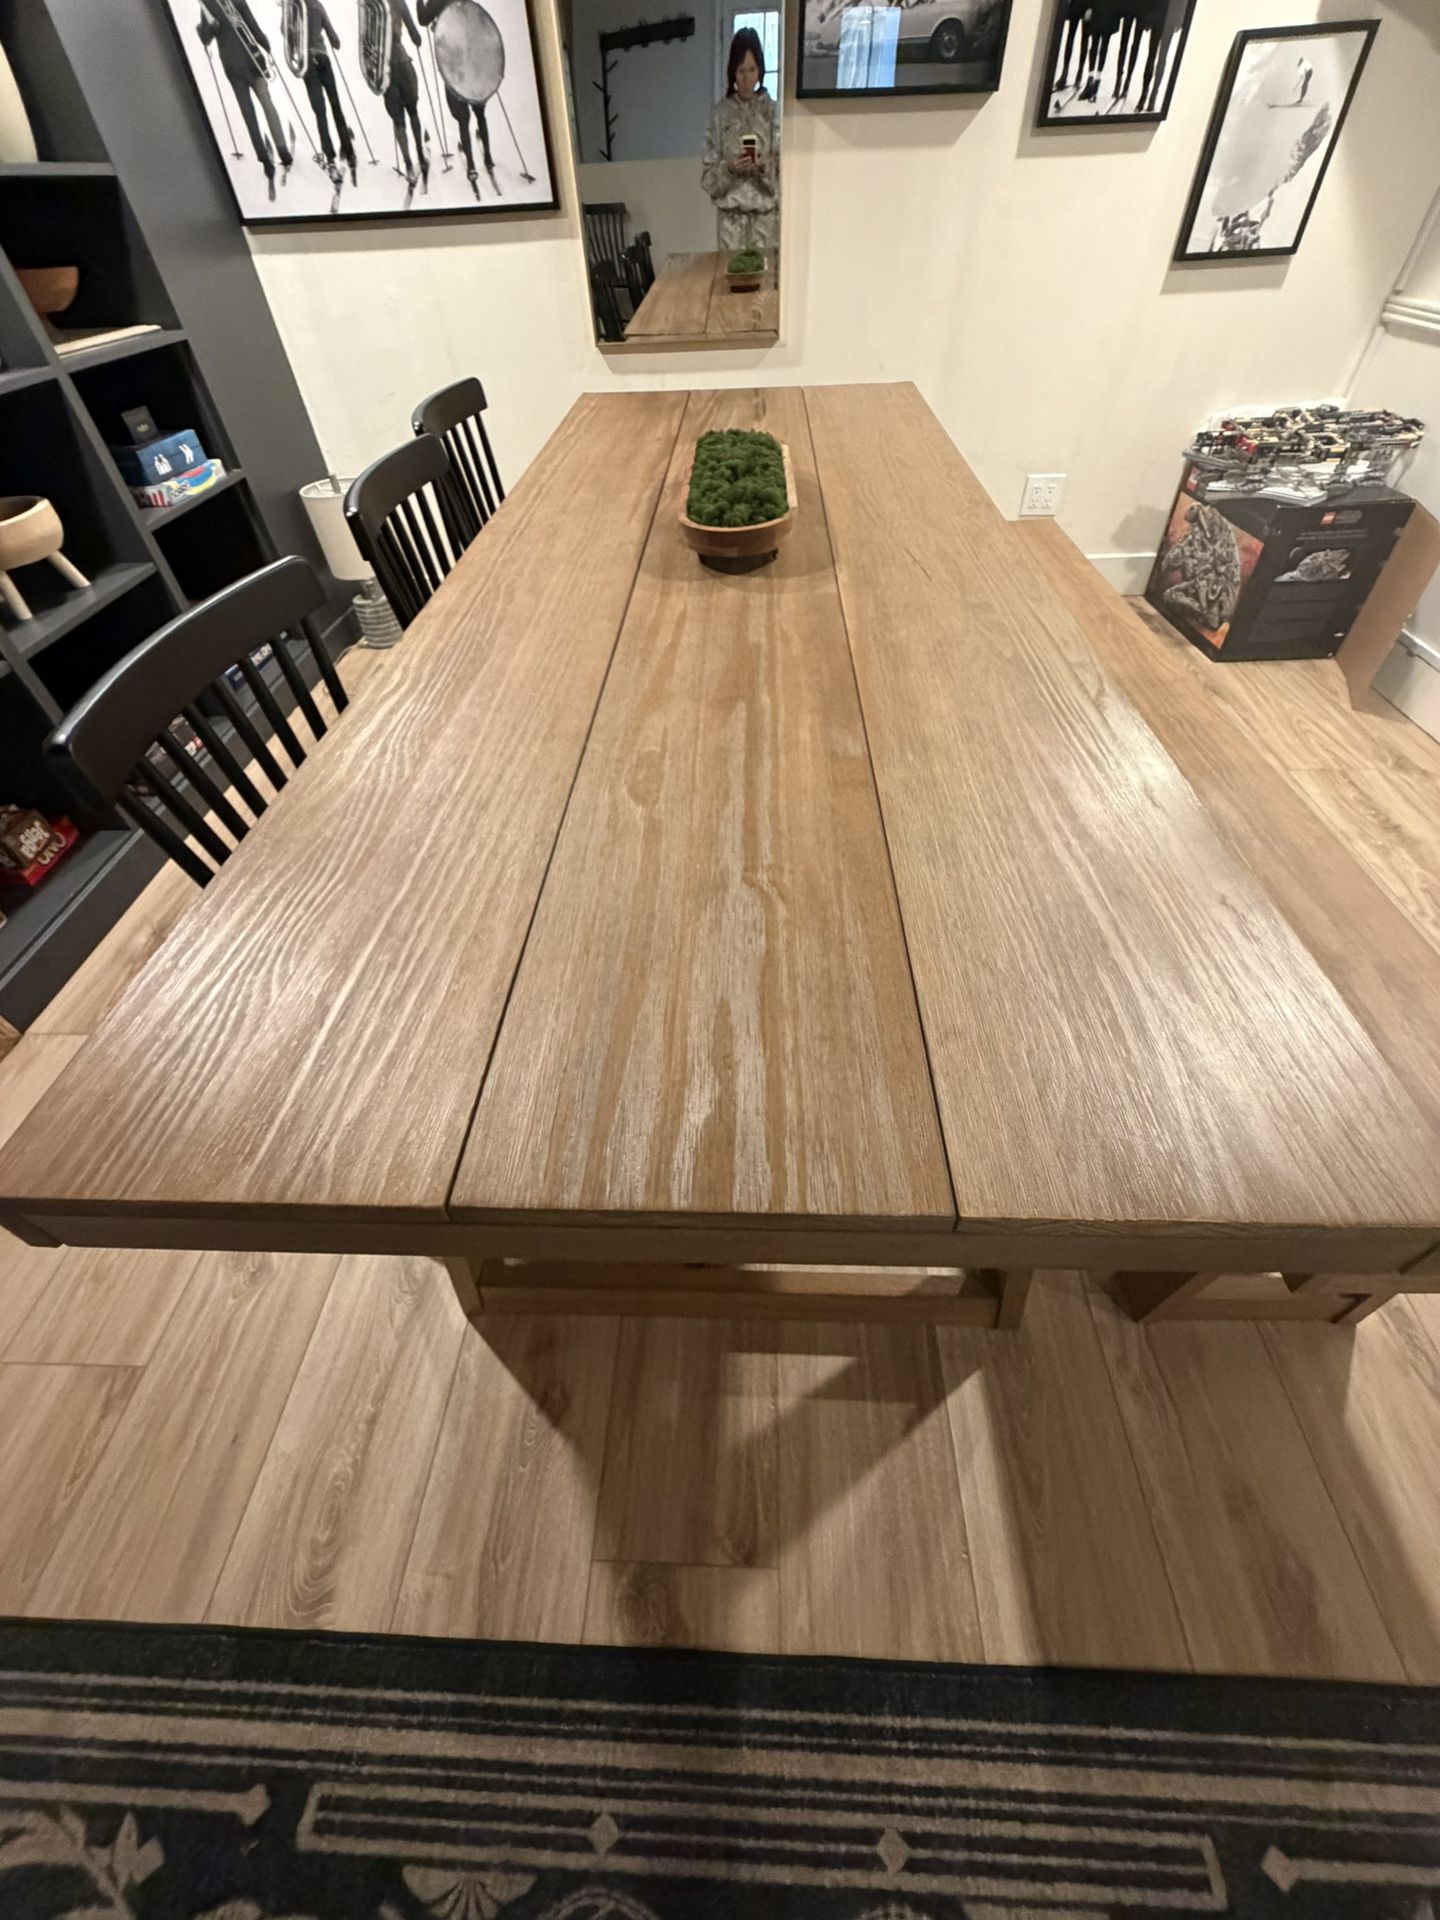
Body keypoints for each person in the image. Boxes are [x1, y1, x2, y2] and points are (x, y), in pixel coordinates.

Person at [196, 0, 294, 200]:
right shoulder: (209, 5)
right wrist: (209, 29)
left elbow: (249, 26)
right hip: (241, 64)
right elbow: (209, 38)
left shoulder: (224, 3)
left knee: (259, 108)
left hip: (245, 63)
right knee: (256, 108)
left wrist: (265, 45)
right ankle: (272, 154)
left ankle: (274, 154)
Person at [701, 28, 779, 257]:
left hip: (766, 222)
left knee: (765, 278)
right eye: (741, 71)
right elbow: (707, 178)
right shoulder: (720, 115)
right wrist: (729, 168)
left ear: (760, 70)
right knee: (730, 275)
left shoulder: (773, 112)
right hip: (730, 224)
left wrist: (764, 166)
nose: (747, 78)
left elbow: (789, 175)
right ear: (732, 72)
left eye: (752, 70)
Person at [418, 0, 496, 194]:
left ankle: (471, 166)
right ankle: (488, 158)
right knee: (480, 113)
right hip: (472, 64)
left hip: (452, 66)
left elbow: (422, 20)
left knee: (463, 121)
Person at [299, 0, 357, 184]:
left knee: (320, 113)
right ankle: (350, 153)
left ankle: (330, 160)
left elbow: (287, 34)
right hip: (323, 59)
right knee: (336, 107)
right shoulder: (317, 5)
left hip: (308, 64)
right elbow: (334, 39)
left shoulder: (293, 7)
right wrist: (332, 40)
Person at [384, 0, 429, 189]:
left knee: (398, 120)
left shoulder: (370, 5)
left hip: (385, 69)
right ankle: (420, 155)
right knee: (412, 111)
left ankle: (409, 165)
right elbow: (415, 36)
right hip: (402, 63)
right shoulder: (399, 3)